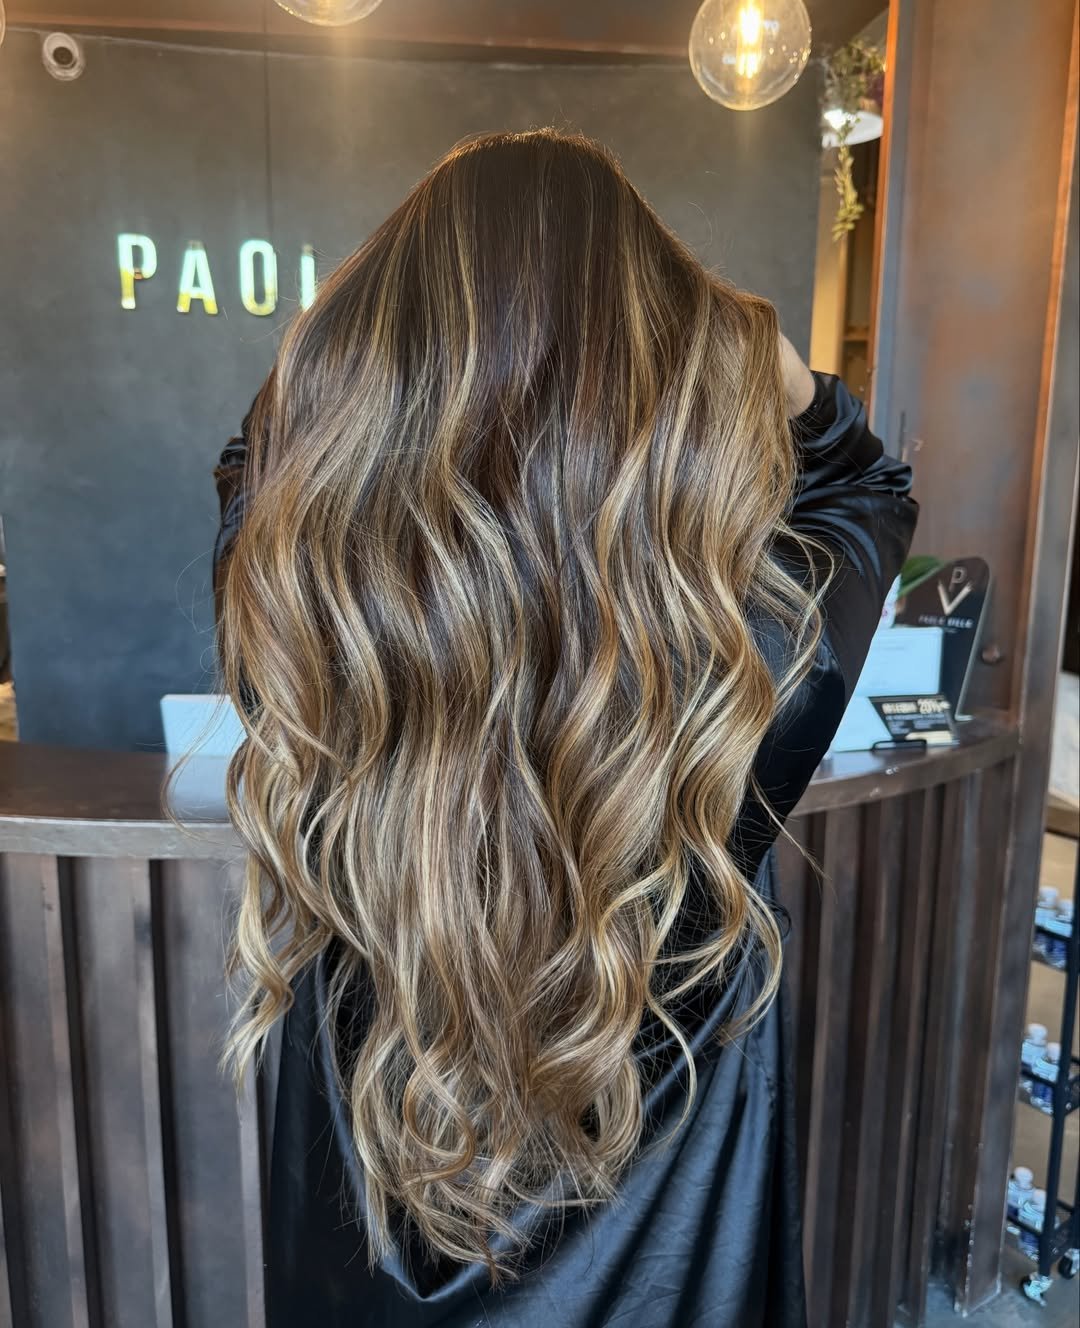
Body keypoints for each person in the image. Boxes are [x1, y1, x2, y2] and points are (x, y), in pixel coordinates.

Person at [212, 129, 916, 1328]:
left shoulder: (313, 644)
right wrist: (743, 334)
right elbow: (867, 483)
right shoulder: (745, 682)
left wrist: (350, 332)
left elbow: (250, 463)